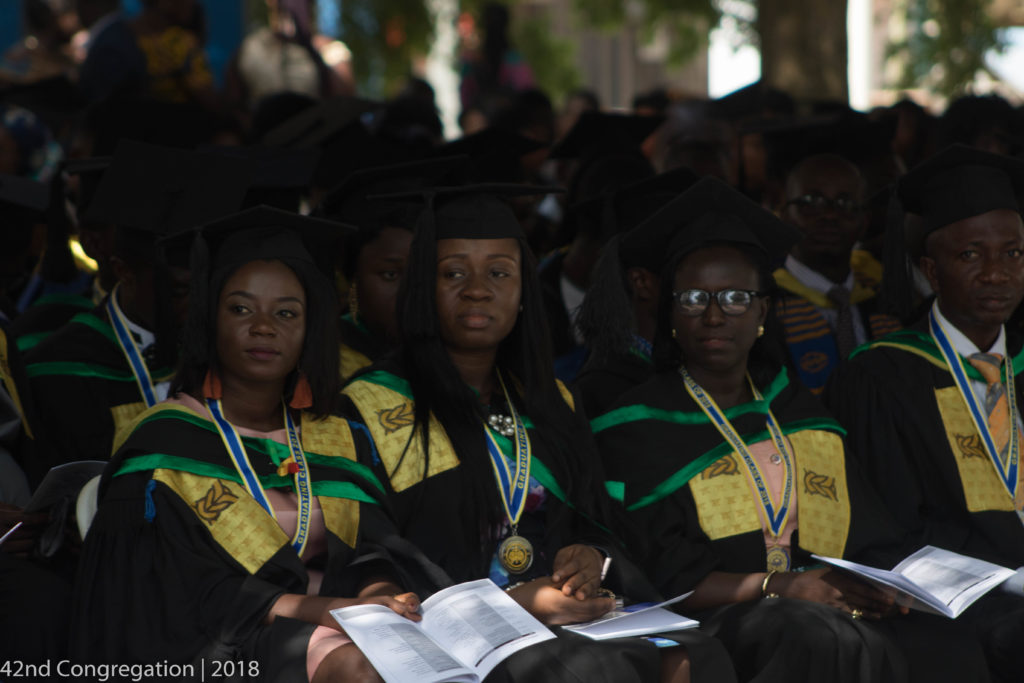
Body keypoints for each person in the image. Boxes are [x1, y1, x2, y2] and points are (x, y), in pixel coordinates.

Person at [594, 177, 989, 683]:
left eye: (736, 297)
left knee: (946, 643)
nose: (714, 315)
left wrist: (877, 587)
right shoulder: (636, 425)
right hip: (718, 617)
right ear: (670, 311)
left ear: (762, 310)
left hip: (820, 602)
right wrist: (779, 586)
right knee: (816, 634)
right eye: (693, 298)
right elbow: (659, 575)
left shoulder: (797, 409)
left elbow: (869, 536)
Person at [341, 184, 736, 683]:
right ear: (422, 287)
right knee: (594, 669)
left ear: (524, 292)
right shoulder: (370, 406)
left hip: (564, 615)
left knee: (695, 655)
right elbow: (372, 558)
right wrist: (511, 603)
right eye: (453, 273)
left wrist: (591, 557)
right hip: (450, 633)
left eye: (499, 273)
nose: (477, 289)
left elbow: (596, 518)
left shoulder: (551, 401)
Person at [70, 205, 429, 682]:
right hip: (220, 645)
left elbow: (370, 548)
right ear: (209, 319)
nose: (264, 326)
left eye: (286, 313)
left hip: (339, 623)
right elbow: (177, 593)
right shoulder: (166, 441)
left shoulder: (335, 435)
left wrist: (378, 593)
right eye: (241, 309)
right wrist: (327, 611)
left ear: (310, 329)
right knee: (365, 669)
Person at [825, 144, 1024, 682]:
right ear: (932, 271)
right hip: (960, 602)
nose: (996, 274)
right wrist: (1013, 579)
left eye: (1013, 253)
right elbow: (888, 533)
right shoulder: (881, 377)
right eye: (971, 255)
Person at [25, 141, 250, 473]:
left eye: (207, 289)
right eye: (179, 291)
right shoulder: (59, 368)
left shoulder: (231, 353)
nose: (197, 305)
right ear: (123, 271)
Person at [315, 157, 465, 380]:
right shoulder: (325, 368)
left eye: (428, 271)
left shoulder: (466, 356)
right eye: (390, 275)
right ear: (351, 277)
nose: (412, 292)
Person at [574, 167, 697, 418]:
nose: (709, 287)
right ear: (642, 283)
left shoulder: (702, 368)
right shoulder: (604, 393)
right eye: (693, 272)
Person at [773, 153, 901, 394]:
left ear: (864, 221)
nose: (830, 215)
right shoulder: (766, 305)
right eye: (812, 202)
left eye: (846, 204)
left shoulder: (886, 299)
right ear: (785, 213)